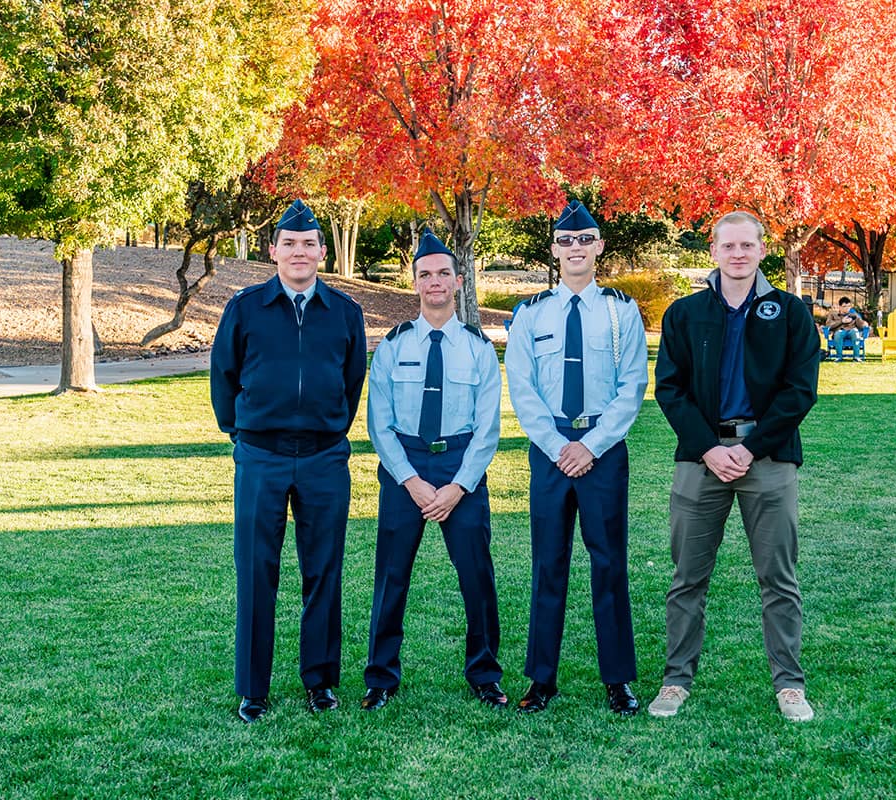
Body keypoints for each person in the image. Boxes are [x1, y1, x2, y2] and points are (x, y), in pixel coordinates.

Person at [649, 210, 820, 723]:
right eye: (729, 246)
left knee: (779, 579)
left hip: (767, 460)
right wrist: (708, 448)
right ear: (714, 251)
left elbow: (799, 390)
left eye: (748, 245)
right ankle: (676, 680)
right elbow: (670, 389)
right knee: (687, 580)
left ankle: (789, 685)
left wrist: (752, 447)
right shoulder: (685, 313)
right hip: (702, 460)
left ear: (762, 250)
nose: (739, 254)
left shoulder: (790, 312)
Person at [210, 198, 367, 722]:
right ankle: (253, 688)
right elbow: (224, 378)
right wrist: (241, 433)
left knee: (323, 571)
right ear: (273, 250)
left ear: (322, 252)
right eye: (289, 244)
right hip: (261, 458)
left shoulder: (345, 312)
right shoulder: (246, 308)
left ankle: (320, 682)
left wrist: (327, 431)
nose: (299, 252)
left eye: (309, 244)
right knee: (256, 571)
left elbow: (351, 381)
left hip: (324, 459)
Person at [505, 199, 649, 716]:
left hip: (602, 450)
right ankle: (541, 680)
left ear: (599, 246)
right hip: (549, 452)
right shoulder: (531, 313)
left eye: (585, 239)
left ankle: (618, 681)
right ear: (554, 249)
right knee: (549, 565)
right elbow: (521, 387)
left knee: (609, 564)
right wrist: (557, 446)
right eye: (566, 241)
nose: (575, 248)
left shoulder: (621, 311)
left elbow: (633, 385)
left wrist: (589, 446)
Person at [361, 229, 508, 711]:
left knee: (476, 576)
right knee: (392, 576)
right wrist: (412, 480)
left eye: (444, 273)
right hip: (406, 466)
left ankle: (484, 674)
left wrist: (458, 487)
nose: (435, 282)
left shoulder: (478, 347)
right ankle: (381, 678)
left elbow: (488, 427)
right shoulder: (393, 345)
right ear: (416, 283)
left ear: (459, 280)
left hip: (461, 465)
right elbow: (379, 423)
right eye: (425, 275)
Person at [825, 296, 867, 362]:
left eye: (849, 306)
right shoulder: (833, 315)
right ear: (840, 307)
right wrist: (842, 321)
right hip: (839, 332)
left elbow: (861, 324)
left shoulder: (854, 315)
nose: (847, 308)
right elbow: (828, 325)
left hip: (851, 332)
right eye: (844, 306)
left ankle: (856, 357)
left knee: (855, 331)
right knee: (839, 333)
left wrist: (864, 324)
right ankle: (839, 357)